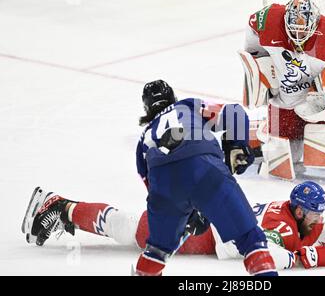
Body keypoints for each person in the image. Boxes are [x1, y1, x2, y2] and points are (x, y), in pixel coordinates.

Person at [22, 80, 278, 276]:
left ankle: (66, 209)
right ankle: (63, 208)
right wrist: (237, 144)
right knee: (251, 241)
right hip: (209, 181)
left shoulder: (143, 140)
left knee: (155, 250)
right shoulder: (188, 106)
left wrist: (185, 211)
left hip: (171, 190)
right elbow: (234, 111)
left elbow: (154, 192)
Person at [22, 180, 325, 271]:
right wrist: (314, 258)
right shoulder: (285, 226)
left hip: (203, 220)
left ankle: (64, 208)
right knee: (130, 229)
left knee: (129, 225)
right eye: (316, 213)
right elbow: (269, 255)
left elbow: (312, 232)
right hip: (199, 231)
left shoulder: (292, 215)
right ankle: (60, 206)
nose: (320, 219)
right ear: (300, 210)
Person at [243, 0, 325, 167]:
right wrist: (260, 61)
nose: (298, 35)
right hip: (285, 102)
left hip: (324, 103)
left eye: (303, 30)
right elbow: (253, 32)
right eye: (294, 30)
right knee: (281, 159)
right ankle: (270, 135)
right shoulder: (268, 19)